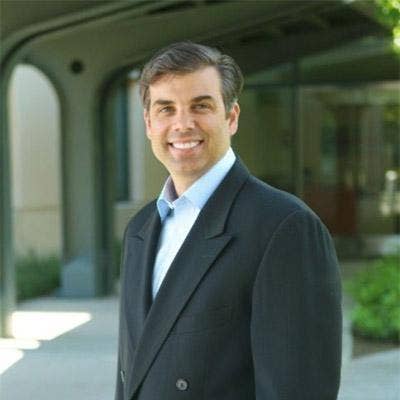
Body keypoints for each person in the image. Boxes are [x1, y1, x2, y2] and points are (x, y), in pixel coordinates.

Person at [115, 41, 342, 400]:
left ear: (231, 117)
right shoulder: (140, 230)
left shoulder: (285, 227)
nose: (182, 124)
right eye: (166, 109)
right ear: (148, 123)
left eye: (201, 106)